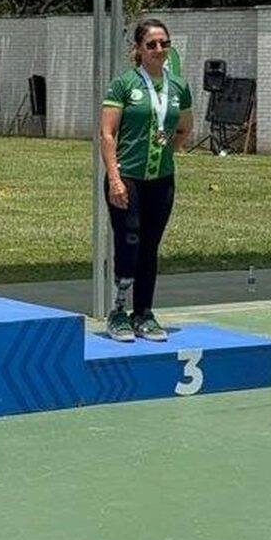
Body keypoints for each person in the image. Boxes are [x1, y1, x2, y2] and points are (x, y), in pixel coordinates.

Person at [99, 19, 193, 342]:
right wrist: (114, 177)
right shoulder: (124, 84)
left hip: (161, 180)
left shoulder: (178, 86)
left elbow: (184, 129)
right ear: (138, 49)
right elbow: (107, 134)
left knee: (151, 246)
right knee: (130, 241)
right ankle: (118, 312)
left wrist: (169, 150)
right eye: (151, 44)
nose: (158, 50)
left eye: (164, 43)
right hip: (127, 177)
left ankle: (144, 313)